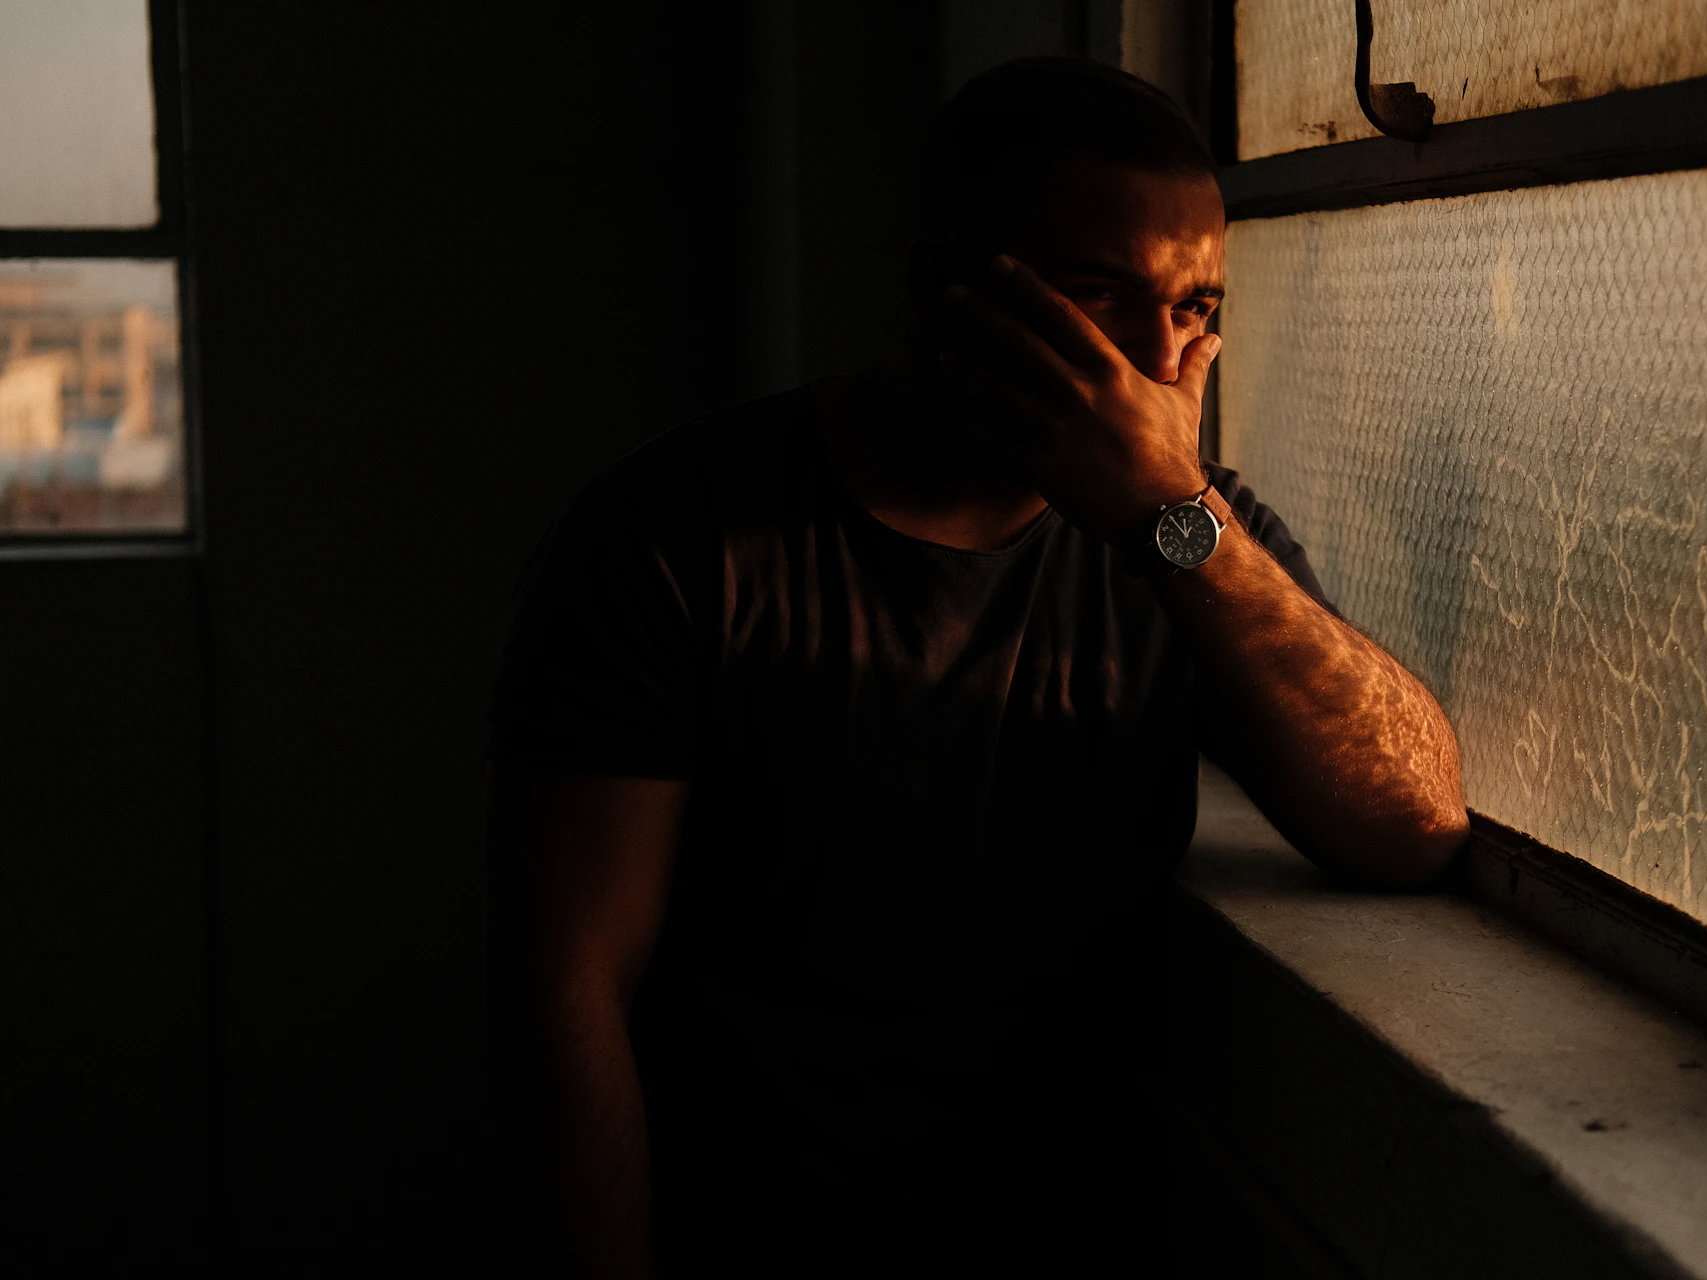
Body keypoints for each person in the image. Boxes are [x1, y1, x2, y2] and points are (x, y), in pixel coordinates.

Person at [487, 57, 1467, 1278]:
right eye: (1101, 293)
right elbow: (564, 997)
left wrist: (1177, 517)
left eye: (1197, 308)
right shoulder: (677, 537)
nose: (1159, 362)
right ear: (943, 287)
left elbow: (1415, 819)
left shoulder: (1187, 543)